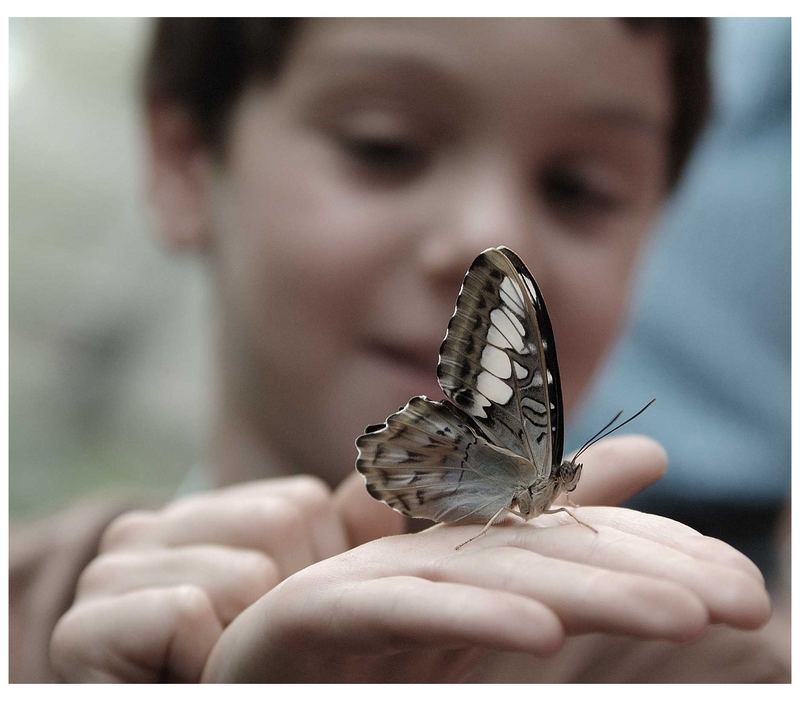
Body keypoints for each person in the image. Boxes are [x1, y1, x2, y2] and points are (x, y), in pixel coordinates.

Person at [9, 18, 788, 682]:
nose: (484, 232)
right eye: (383, 146)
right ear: (184, 159)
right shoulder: (24, 621)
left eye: (577, 186)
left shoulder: (711, 666)